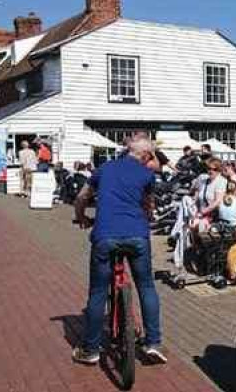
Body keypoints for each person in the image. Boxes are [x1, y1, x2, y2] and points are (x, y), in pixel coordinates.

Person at [72, 135, 166, 365]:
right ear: (145, 156)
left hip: (105, 235)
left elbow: (81, 197)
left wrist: (81, 216)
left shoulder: (105, 169)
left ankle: (91, 349)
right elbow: (149, 205)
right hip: (137, 236)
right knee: (146, 286)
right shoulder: (146, 175)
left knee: (97, 292)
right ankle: (153, 343)